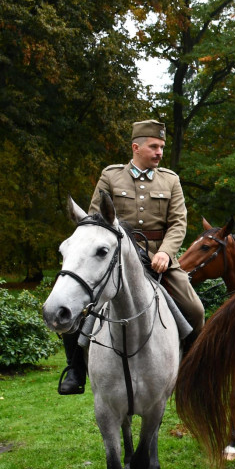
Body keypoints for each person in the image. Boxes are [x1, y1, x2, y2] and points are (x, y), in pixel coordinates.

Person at [59, 119, 205, 395]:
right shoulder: (111, 176)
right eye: (154, 146)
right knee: (79, 302)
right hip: (118, 256)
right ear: (136, 147)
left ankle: (189, 369)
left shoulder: (170, 180)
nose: (160, 152)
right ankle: (75, 370)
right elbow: (95, 220)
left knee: (195, 310)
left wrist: (165, 252)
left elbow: (178, 223)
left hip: (159, 257)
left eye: (162, 147)